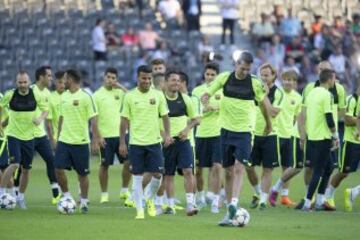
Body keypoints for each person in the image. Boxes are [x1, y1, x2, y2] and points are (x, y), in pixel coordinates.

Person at [201, 51, 272, 226]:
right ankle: (229, 212)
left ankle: (233, 203)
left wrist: (268, 123)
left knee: (240, 167)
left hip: (245, 131)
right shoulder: (225, 78)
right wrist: (205, 98)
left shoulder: (254, 83)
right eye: (242, 68)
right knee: (228, 170)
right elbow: (208, 91)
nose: (244, 72)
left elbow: (263, 104)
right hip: (225, 130)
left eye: (248, 69)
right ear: (236, 64)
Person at [119, 65, 172, 219]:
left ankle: (147, 198)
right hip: (136, 143)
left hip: (154, 142)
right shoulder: (129, 96)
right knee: (137, 176)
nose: (147, 81)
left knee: (158, 174)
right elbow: (123, 121)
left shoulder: (158, 95)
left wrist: (168, 134)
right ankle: (140, 210)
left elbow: (165, 116)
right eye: (144, 78)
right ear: (138, 78)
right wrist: (122, 142)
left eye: (149, 78)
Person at [296, 61, 345, 210]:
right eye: (333, 79)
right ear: (330, 79)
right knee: (318, 170)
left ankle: (320, 200)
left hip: (312, 136)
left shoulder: (312, 92)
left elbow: (306, 113)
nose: (334, 81)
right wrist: (335, 136)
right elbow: (329, 117)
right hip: (323, 137)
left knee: (329, 167)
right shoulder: (327, 95)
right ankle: (307, 202)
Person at [54, 69, 102, 214]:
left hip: (81, 142)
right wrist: (58, 136)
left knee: (82, 174)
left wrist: (95, 139)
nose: (63, 82)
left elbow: (94, 119)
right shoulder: (63, 96)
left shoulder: (86, 96)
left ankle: (84, 200)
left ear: (71, 80)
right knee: (58, 169)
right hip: (64, 140)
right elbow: (61, 117)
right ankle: (67, 196)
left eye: (65, 79)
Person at [0, 71, 48, 209]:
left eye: (25, 82)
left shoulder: (36, 94)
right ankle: (2, 193)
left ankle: (20, 197)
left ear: (29, 82)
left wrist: (40, 118)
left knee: (26, 169)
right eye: (20, 82)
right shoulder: (10, 94)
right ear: (16, 82)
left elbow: (45, 110)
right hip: (14, 135)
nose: (22, 85)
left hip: (29, 137)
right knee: (15, 164)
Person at [245, 63, 284, 210]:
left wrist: (264, 97)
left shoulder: (278, 93)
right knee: (249, 167)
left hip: (270, 135)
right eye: (262, 74)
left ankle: (262, 200)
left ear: (274, 76)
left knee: (267, 169)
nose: (264, 77)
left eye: (267, 74)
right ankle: (257, 192)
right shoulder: (255, 90)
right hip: (253, 133)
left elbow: (274, 112)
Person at [162, 70, 200, 216]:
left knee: (188, 171)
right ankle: (170, 205)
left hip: (183, 141)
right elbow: (155, 122)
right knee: (168, 174)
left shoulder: (186, 99)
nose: (176, 83)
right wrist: (165, 135)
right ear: (166, 82)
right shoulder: (160, 99)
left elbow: (196, 119)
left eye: (178, 80)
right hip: (167, 142)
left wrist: (187, 129)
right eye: (172, 80)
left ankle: (190, 204)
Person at [93, 68, 131, 204]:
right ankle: (104, 194)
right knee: (104, 165)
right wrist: (98, 136)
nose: (110, 80)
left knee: (129, 163)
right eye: (108, 77)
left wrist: (120, 86)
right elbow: (94, 119)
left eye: (113, 78)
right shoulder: (97, 95)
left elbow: (134, 97)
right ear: (104, 77)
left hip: (122, 135)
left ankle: (124, 190)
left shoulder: (120, 92)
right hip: (106, 136)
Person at [192, 62, 222, 213]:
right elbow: (193, 112)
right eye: (207, 74)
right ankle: (200, 196)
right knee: (198, 169)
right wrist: (204, 108)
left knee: (217, 167)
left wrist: (214, 107)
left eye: (212, 75)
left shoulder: (223, 90)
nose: (209, 77)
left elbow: (226, 107)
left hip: (217, 134)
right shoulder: (197, 91)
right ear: (204, 75)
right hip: (201, 134)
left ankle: (216, 201)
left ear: (217, 76)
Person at [268, 70, 302, 206]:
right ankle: (261, 194)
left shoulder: (298, 98)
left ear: (295, 83)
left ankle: (284, 196)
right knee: (268, 167)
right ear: (281, 81)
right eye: (286, 79)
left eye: (291, 80)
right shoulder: (277, 93)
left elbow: (298, 118)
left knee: (288, 167)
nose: (288, 82)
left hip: (290, 136)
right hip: (275, 134)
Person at [324, 85, 360, 209]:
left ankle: (353, 192)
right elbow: (347, 120)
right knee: (343, 173)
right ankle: (328, 196)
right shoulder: (352, 99)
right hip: (352, 142)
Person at [48, 71, 66, 142]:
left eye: (64, 83)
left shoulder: (70, 96)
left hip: (71, 138)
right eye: (60, 82)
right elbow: (48, 122)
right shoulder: (50, 97)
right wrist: (52, 139)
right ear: (55, 82)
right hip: (57, 138)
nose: (62, 85)